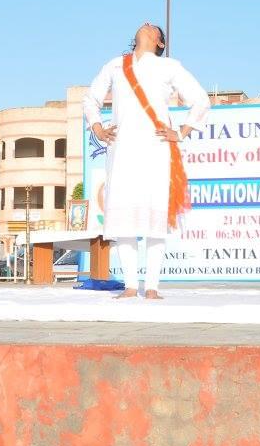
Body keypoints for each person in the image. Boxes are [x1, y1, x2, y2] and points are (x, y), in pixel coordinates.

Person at [83, 22, 210, 299]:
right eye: (145, 24)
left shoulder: (170, 67)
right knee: (123, 220)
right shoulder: (116, 65)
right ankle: (130, 286)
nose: (147, 24)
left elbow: (201, 100)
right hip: (122, 150)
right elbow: (90, 99)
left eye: (154, 27)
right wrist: (98, 128)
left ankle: (151, 287)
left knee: (155, 221)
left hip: (156, 148)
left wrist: (182, 132)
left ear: (160, 43)